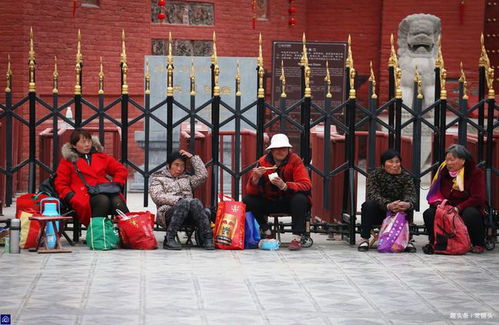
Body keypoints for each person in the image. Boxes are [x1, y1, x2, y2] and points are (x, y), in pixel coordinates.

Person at [243, 134, 312, 251]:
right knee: (248, 200)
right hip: (269, 200)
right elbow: (250, 191)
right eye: (277, 149)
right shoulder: (263, 162)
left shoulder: (295, 161)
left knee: (300, 198)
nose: (280, 152)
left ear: (288, 150)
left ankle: (297, 237)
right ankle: (267, 230)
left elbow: (306, 184)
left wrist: (286, 186)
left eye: (284, 149)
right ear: (271, 150)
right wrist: (255, 179)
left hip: (289, 201)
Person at [54, 129, 129, 227]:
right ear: (74, 145)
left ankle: (131, 233)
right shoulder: (68, 161)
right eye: (83, 142)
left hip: (104, 189)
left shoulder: (101, 157)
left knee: (117, 201)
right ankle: (96, 234)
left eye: (89, 141)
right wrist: (71, 196)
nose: (87, 144)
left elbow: (121, 170)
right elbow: (60, 183)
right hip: (83, 195)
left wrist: (117, 183)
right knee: (103, 200)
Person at [423, 144, 486, 254]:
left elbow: (478, 198)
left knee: (470, 213)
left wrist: (458, 208)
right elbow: (437, 193)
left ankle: (477, 243)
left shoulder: (475, 173)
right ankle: (436, 242)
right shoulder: (443, 172)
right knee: (429, 213)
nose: (449, 163)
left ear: (463, 160)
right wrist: (440, 204)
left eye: (452, 160)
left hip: (465, 207)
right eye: (447, 160)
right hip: (447, 207)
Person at [149, 149, 214, 250]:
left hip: (189, 211)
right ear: (169, 165)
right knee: (184, 204)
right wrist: (178, 200)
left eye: (182, 165)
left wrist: (192, 158)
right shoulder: (158, 179)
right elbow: (157, 196)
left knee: (198, 204)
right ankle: (169, 239)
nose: (179, 168)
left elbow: (203, 175)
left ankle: (207, 238)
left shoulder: (187, 179)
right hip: (168, 212)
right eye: (176, 165)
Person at [357, 149, 417, 252]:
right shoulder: (375, 175)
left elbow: (411, 195)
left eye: (397, 162)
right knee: (368, 205)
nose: (394, 165)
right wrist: (388, 205)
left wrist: (406, 204)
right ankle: (365, 238)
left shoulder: (406, 176)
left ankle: (408, 240)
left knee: (409, 207)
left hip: (399, 212)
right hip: (381, 211)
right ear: (383, 164)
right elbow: (373, 194)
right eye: (390, 162)